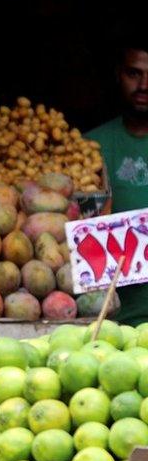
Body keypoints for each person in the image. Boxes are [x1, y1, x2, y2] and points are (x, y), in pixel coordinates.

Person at [86, 39, 148, 325]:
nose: (144, 85)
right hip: (109, 317)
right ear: (117, 75)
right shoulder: (89, 148)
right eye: (134, 74)